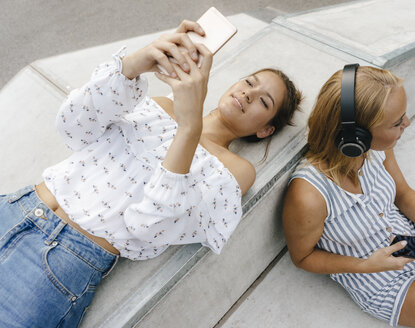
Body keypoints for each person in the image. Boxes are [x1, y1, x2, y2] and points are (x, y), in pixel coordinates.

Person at [0, 20, 302, 327]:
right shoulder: (159, 104)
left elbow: (148, 225)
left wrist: (189, 129)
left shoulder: (234, 170)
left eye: (264, 101)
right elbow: (75, 129)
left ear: (265, 129)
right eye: (250, 83)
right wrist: (132, 65)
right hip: (16, 206)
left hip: (63, 259)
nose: (249, 94)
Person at [282, 64, 415, 327]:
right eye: (396, 122)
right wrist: (364, 266)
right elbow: (303, 257)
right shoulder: (309, 195)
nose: (407, 123)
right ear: (355, 135)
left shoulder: (373, 148)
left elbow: (402, 193)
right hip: (384, 281)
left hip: (414, 238)